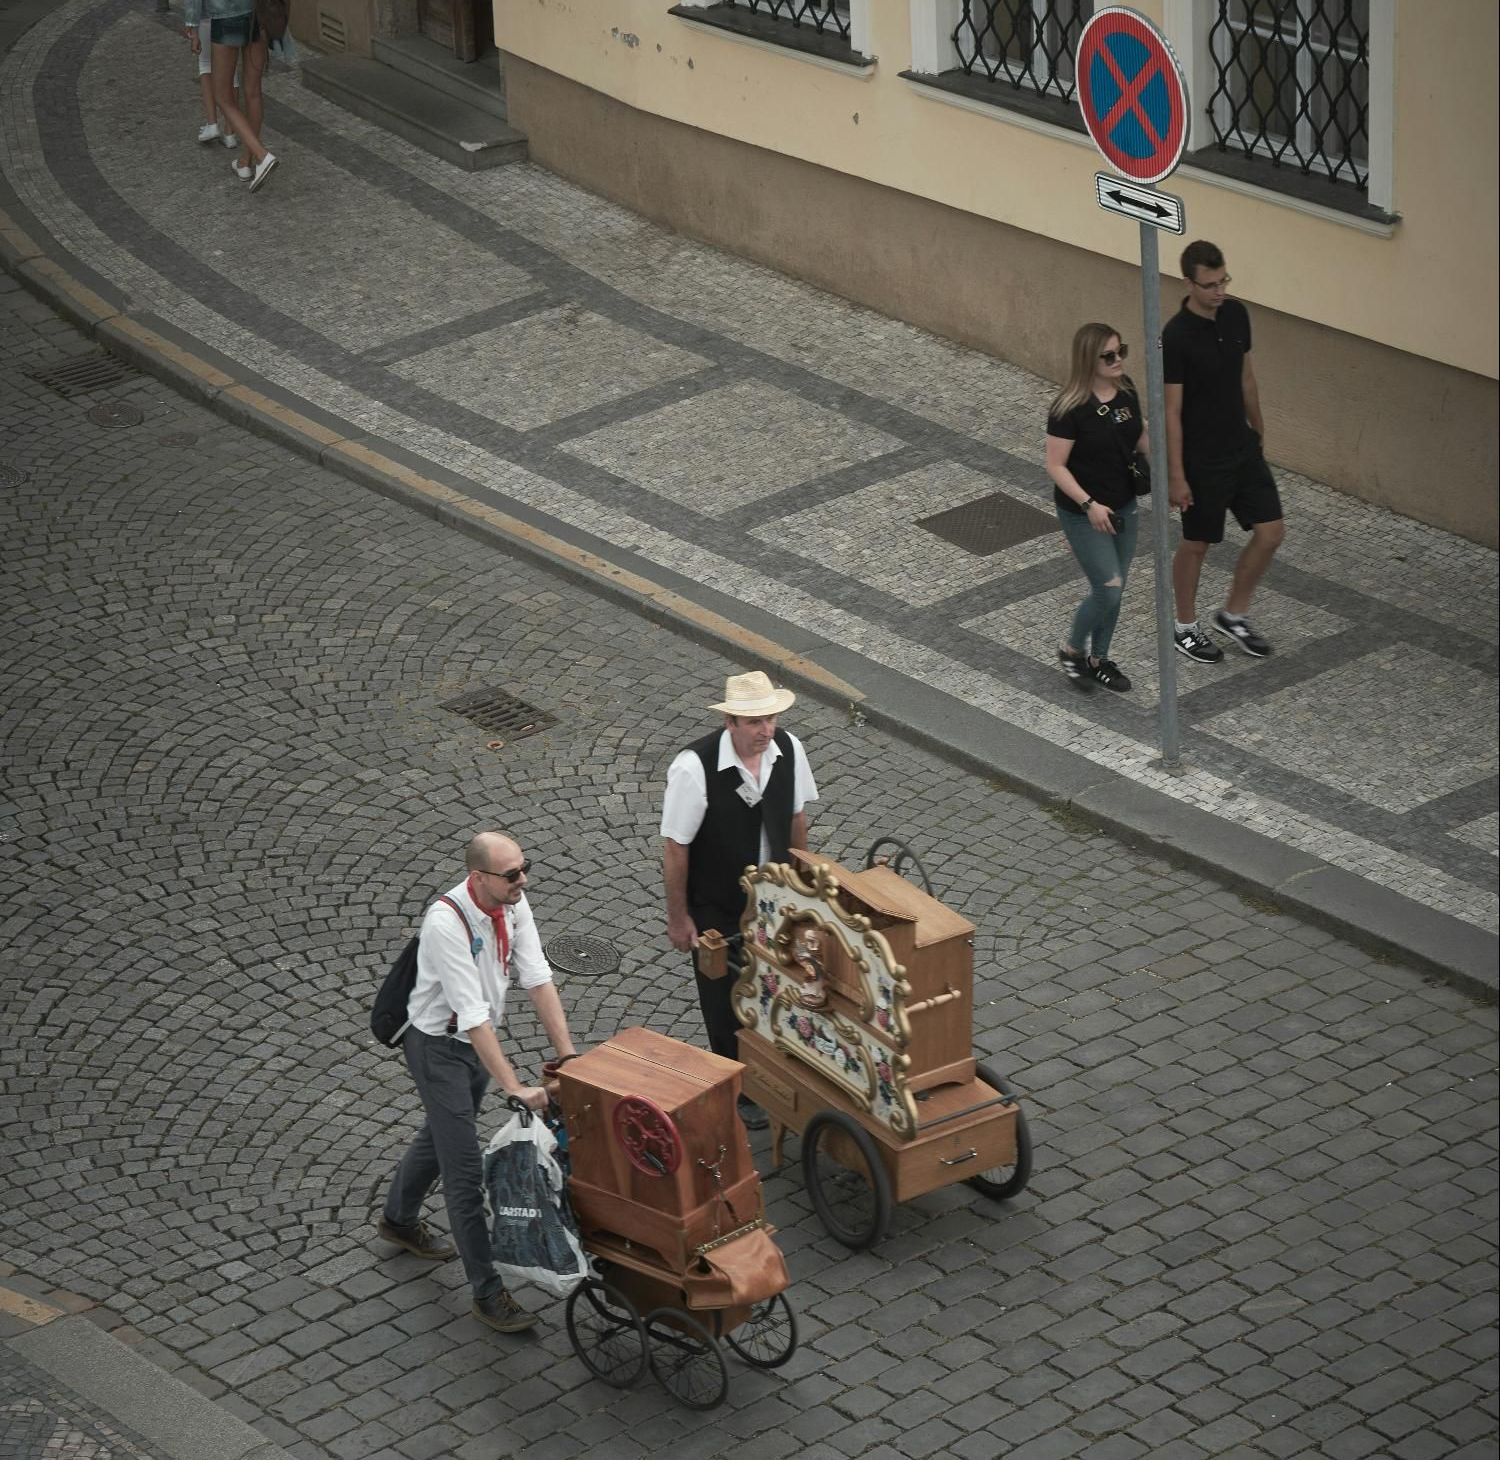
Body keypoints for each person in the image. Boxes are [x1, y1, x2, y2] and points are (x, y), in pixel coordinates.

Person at [378, 832, 579, 1334]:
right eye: (512, 874)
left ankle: (398, 1219)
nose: (523, 880)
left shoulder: (513, 902)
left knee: (442, 1135)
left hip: (472, 1050)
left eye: (524, 868)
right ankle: (487, 1292)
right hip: (438, 1050)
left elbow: (536, 976)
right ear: (479, 877)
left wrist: (569, 1057)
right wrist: (514, 1086)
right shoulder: (445, 922)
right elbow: (471, 1015)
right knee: (464, 1170)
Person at [661, 671, 819, 1130]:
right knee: (722, 995)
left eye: (769, 718)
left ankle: (777, 1066)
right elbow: (676, 848)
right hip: (716, 902)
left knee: (778, 981)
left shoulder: (788, 749)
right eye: (754, 722)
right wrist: (679, 918)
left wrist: (802, 882)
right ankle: (738, 1085)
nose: (765, 730)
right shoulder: (694, 767)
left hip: (773, 896)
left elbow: (796, 817)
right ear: (730, 722)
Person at [1163, 240, 1284, 662]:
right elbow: (1172, 411)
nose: (1220, 292)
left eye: (1224, 281)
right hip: (1202, 459)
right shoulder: (1176, 337)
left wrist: (1259, 428)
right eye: (1210, 285)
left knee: (1271, 533)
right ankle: (1184, 626)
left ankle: (1233, 614)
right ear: (1189, 283)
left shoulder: (1236, 314)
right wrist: (1177, 476)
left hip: (1242, 447)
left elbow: (1246, 377)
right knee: (1197, 543)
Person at [1045, 322, 1148, 693]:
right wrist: (1089, 505)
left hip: (1124, 503)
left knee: (1117, 586)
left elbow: (1139, 436)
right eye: (1109, 355)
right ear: (1089, 359)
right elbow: (1055, 466)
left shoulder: (1126, 390)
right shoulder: (1068, 408)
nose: (1118, 359)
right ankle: (1073, 650)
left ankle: (1098, 659)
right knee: (1109, 588)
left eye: (1122, 351)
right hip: (1083, 511)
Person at [182, 2, 278, 192]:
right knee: (254, 92)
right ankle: (245, 163)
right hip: (259, 13)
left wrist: (191, 25)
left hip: (226, 16)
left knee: (223, 96)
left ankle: (262, 155)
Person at [192, 18, 239, 150]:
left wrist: (191, 23)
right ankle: (230, 132)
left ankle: (212, 124)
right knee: (232, 69)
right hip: (233, 14)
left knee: (205, 64)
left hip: (206, 13)